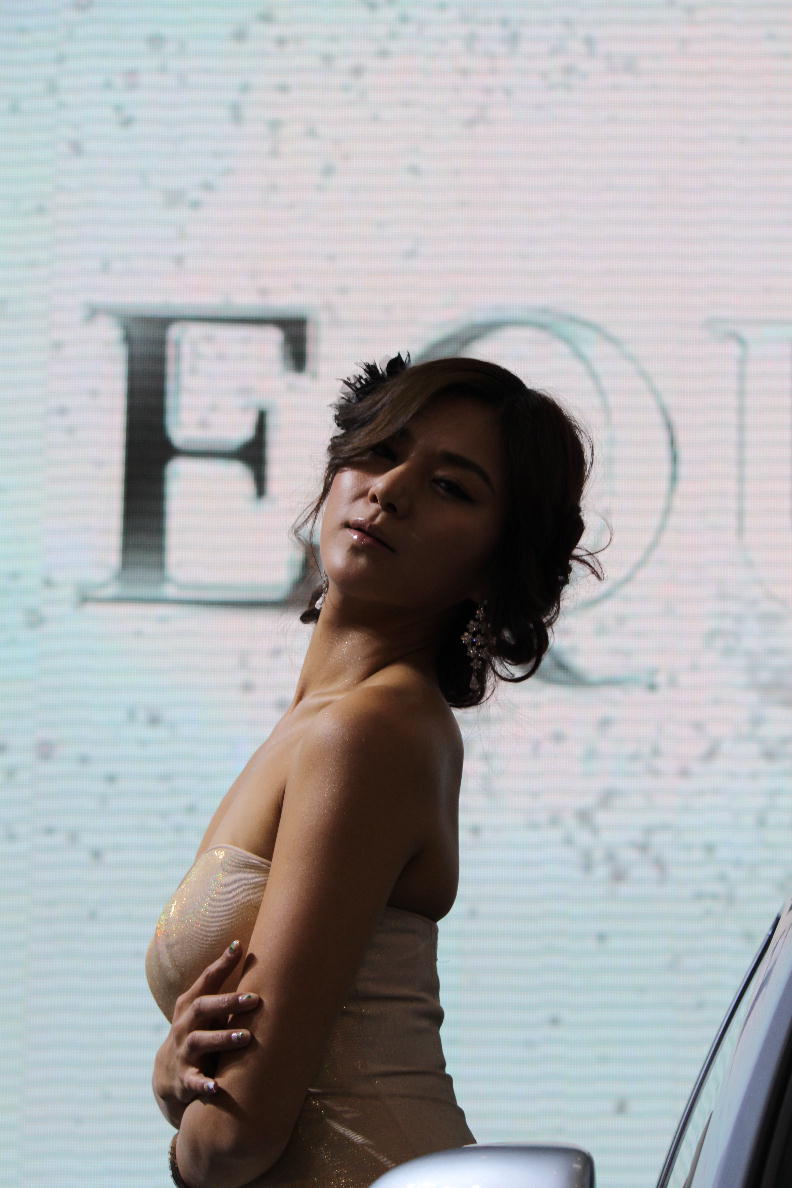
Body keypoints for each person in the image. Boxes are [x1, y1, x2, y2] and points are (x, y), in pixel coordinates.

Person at [145, 353, 604, 1188]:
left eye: (451, 487)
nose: (389, 490)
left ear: (493, 564)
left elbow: (234, 1138)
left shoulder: (370, 733)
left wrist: (184, 1119)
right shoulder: (331, 721)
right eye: (381, 451)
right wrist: (181, 1081)